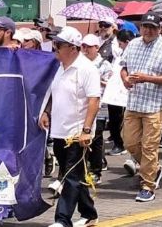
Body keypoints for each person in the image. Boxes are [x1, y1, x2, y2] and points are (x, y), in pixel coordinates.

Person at [39, 26, 100, 227]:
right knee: (74, 174)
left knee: (71, 177)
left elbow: (93, 101)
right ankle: (89, 213)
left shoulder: (87, 68)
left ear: (72, 48)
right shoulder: (59, 67)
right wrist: (47, 112)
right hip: (59, 131)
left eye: (59, 44)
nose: (55, 47)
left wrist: (86, 130)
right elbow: (54, 94)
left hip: (76, 133)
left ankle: (62, 219)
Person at [119, 12, 162, 202]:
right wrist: (126, 79)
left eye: (153, 27)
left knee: (149, 146)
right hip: (134, 101)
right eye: (146, 26)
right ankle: (153, 168)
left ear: (160, 28)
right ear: (141, 27)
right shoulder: (133, 44)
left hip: (155, 105)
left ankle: (147, 185)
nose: (149, 30)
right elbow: (123, 66)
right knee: (129, 142)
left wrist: (146, 78)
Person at [80, 34, 112, 184]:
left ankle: (96, 170)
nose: (85, 49)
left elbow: (111, 84)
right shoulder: (80, 63)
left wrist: (97, 80)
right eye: (83, 46)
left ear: (97, 48)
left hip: (100, 104)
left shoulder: (104, 64)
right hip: (83, 106)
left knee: (97, 137)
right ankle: (85, 167)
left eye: (89, 47)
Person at [107, 30, 135, 157]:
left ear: (127, 42)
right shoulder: (120, 55)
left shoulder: (134, 55)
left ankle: (121, 145)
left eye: (121, 44)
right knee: (114, 120)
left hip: (125, 93)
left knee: (122, 121)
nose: (119, 46)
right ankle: (118, 142)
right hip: (113, 92)